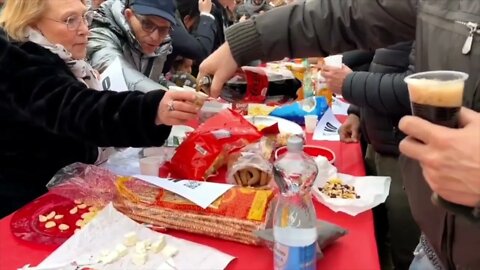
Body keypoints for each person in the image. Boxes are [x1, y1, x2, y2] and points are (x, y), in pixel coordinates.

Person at [198, 0, 480, 268]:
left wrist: (351, 84)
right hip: (435, 247)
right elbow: (351, 15)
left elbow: (404, 80)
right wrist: (245, 41)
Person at [0, 0, 201, 218]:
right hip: (26, 207)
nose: (85, 30)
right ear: (32, 23)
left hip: (63, 192)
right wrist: (152, 110)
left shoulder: (61, 56)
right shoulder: (18, 62)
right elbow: (79, 108)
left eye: (85, 18)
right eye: (70, 21)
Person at [325, 41, 420, 270]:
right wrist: (356, 113)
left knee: (405, 247)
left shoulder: (427, 19)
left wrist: (350, 84)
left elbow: (416, 87)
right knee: (375, 235)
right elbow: (376, 65)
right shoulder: (394, 16)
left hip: (406, 156)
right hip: (376, 145)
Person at [87, 0, 176, 92]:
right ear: (128, 15)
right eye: (147, 24)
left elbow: (152, 78)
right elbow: (118, 74)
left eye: (163, 29)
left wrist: (181, 94)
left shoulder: (162, 43)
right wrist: (165, 96)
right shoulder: (101, 33)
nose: (155, 37)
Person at [162, 0, 217, 75]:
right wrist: (206, 16)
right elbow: (202, 49)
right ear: (187, 20)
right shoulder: (171, 23)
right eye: (198, 26)